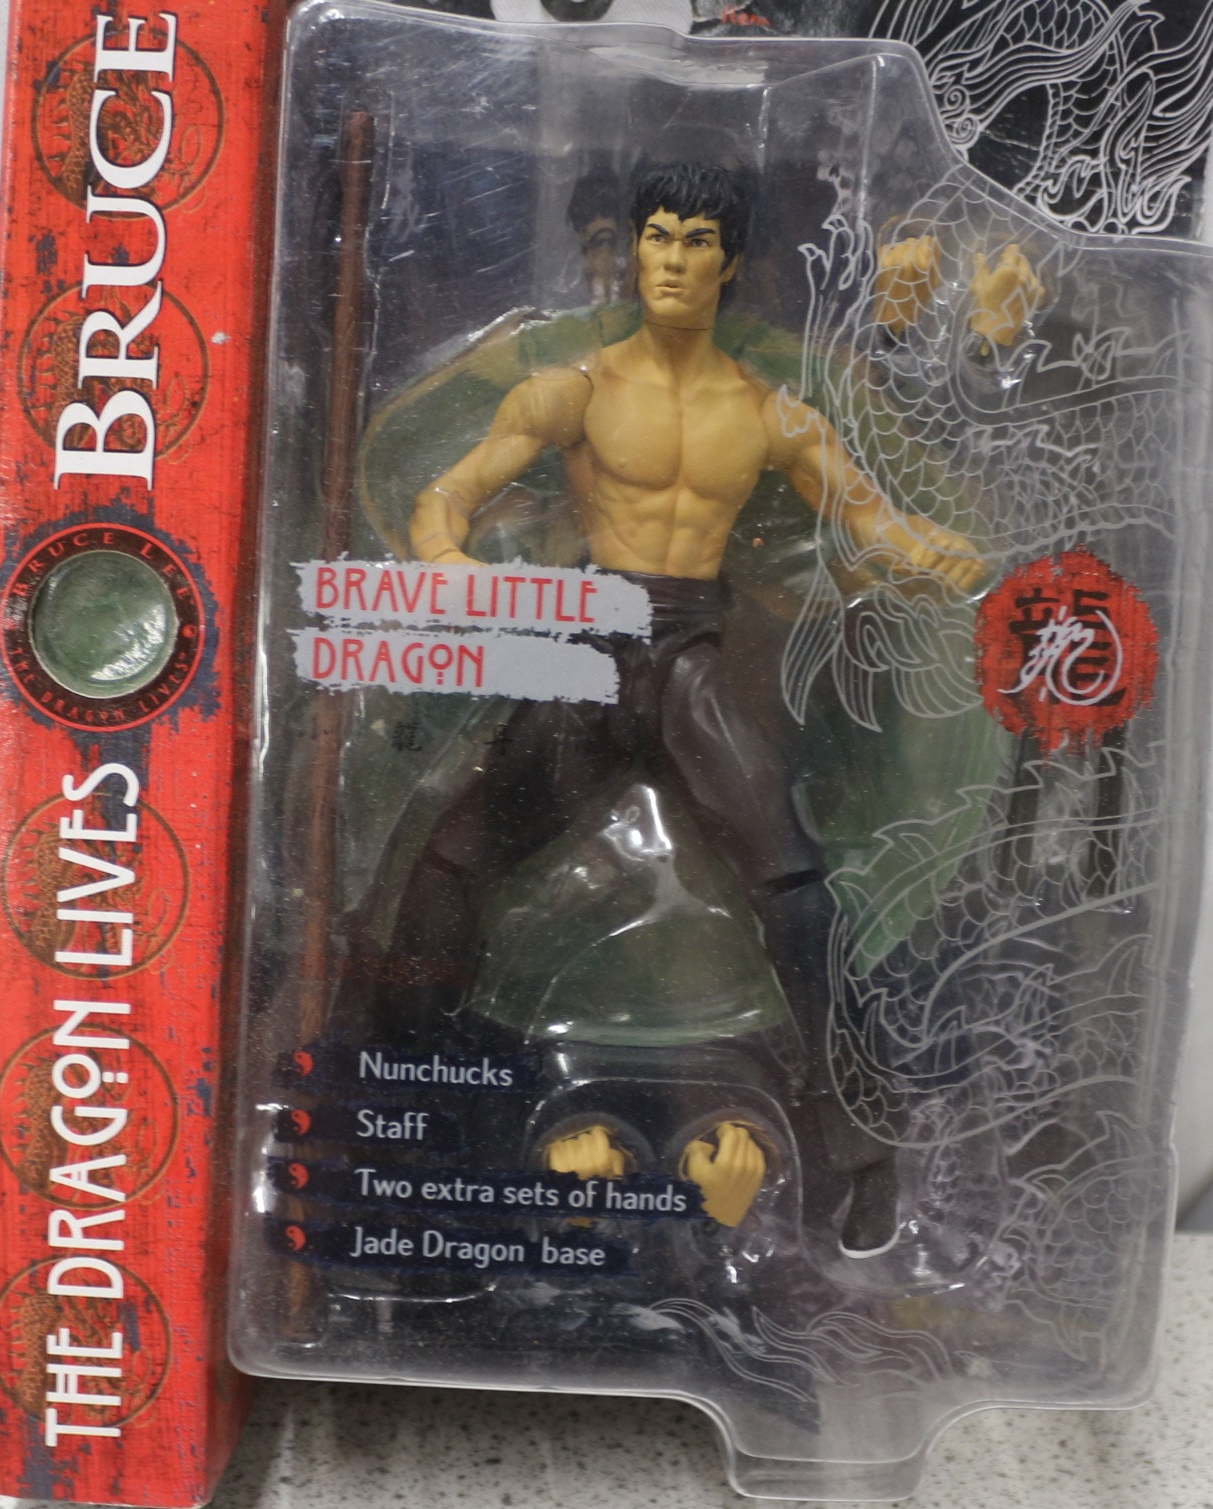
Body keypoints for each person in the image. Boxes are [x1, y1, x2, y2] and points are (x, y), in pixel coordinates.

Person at [392, 161, 1035, 1245]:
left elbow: (867, 519)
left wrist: (948, 559)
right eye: (657, 236)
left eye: (697, 242)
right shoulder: (576, 390)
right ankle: (408, 1100)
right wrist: (447, 563)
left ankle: (860, 1151)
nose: (672, 261)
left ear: (729, 263)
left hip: (690, 657)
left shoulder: (768, 412)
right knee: (453, 861)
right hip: (591, 653)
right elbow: (448, 491)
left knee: (797, 891)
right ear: (636, 245)